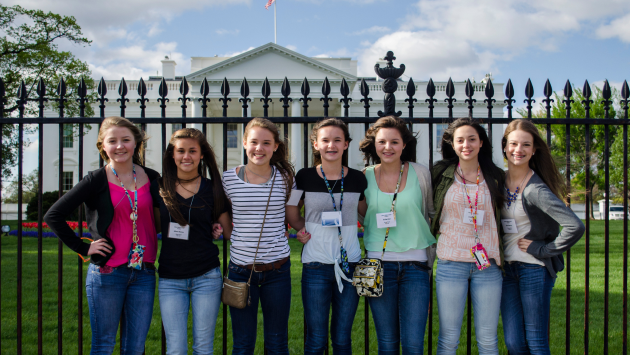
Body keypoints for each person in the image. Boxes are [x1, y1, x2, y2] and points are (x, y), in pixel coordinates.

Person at [44, 116, 159, 355]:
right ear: (103, 147)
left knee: (135, 347)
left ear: (135, 143)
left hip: (144, 272)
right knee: (104, 345)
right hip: (108, 273)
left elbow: (171, 212)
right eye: (112, 141)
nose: (120, 146)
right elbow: (53, 215)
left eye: (126, 140)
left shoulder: (152, 177)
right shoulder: (95, 180)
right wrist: (84, 248)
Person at [500, 119, 584, 355]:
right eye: (514, 144)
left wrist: (543, 250)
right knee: (514, 343)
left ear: (534, 149)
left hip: (533, 269)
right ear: (505, 146)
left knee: (536, 342)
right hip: (507, 269)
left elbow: (574, 225)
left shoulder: (535, 189)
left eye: (526, 145)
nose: (519, 150)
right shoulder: (499, 180)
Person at [219, 117, 302, 355]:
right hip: (240, 270)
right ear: (245, 143)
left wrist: (305, 230)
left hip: (278, 271)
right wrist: (226, 231)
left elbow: (293, 216)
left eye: (266, 143)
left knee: (277, 343)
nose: (259, 148)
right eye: (254, 142)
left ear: (275, 146)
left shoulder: (287, 179)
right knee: (243, 344)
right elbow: (222, 215)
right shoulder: (228, 179)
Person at [357, 116, 436, 355]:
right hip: (375, 265)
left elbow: (430, 211)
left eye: (394, 142)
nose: (388, 147)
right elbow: (363, 215)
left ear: (404, 145)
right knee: (387, 343)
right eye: (382, 142)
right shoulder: (364, 176)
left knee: (413, 344)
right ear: (374, 144)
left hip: (416, 266)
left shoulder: (420, 173)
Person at [151, 128, 232, 355]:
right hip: (170, 278)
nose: (186, 156)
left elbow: (227, 232)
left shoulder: (212, 188)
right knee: (175, 349)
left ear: (201, 155)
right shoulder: (158, 187)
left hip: (206, 276)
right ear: (172, 155)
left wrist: (215, 225)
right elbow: (155, 227)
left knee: (203, 347)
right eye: (181, 151)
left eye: (192, 151)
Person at [430, 117, 505, 355]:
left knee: (487, 339)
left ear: (481, 142)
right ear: (452, 144)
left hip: (487, 265)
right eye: (460, 140)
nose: (466, 145)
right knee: (449, 338)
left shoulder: (496, 176)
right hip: (451, 263)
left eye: (472, 139)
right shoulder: (441, 173)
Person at [294, 118, 367, 355]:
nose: (331, 145)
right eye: (325, 140)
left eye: (338, 140)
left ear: (346, 144)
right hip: (315, 264)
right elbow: (291, 208)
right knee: (315, 340)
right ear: (316, 144)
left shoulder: (358, 178)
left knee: (342, 339)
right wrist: (299, 229)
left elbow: (367, 212)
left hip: (350, 264)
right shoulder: (303, 176)